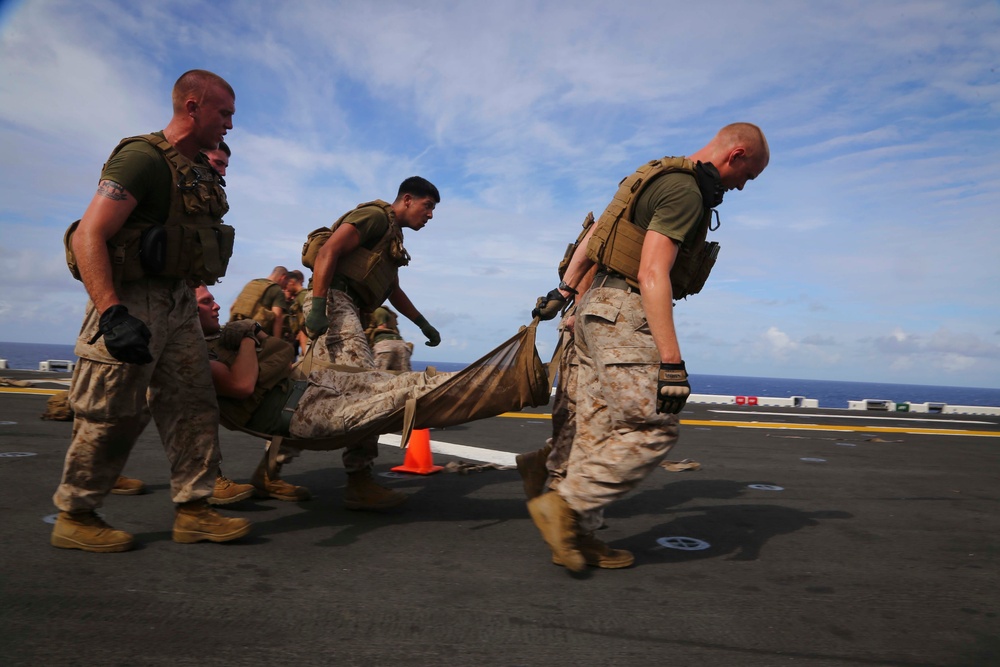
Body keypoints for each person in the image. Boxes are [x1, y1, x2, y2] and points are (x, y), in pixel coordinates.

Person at [525, 123, 770, 572]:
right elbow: (654, 272)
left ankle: (577, 536)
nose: (741, 186)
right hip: (621, 310)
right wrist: (672, 363)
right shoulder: (686, 191)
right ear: (736, 155)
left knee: (598, 429)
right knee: (654, 427)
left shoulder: (651, 176)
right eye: (747, 176)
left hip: (591, 308)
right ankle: (563, 507)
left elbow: (595, 234)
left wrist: (565, 290)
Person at [51, 69, 251, 552]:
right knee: (112, 412)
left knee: (192, 402)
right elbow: (89, 234)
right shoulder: (142, 158)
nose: (229, 124)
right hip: (132, 300)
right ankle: (76, 515)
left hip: (178, 300)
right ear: (192, 106)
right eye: (223, 113)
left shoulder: (197, 169)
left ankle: (194, 510)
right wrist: (112, 313)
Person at [196, 285, 451, 494]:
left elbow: (283, 352)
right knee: (381, 399)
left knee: (390, 387)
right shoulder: (204, 353)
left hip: (296, 395)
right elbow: (243, 384)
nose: (217, 306)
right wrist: (250, 339)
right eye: (207, 301)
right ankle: (357, 482)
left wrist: (253, 336)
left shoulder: (223, 337)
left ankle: (268, 475)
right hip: (292, 408)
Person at [301, 176, 442, 511]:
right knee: (369, 389)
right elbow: (329, 251)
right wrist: (320, 305)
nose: (431, 215)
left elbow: (392, 290)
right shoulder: (375, 217)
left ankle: (271, 466)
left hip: (348, 307)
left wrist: (422, 323)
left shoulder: (392, 237)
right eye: (428, 206)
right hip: (335, 301)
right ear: (407, 199)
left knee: (314, 390)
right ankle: (359, 481)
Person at [230, 266, 289, 339]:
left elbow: (232, 307)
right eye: (286, 283)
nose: (285, 287)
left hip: (236, 331)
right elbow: (277, 318)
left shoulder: (251, 283)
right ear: (283, 277)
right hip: (257, 335)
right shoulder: (277, 290)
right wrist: (277, 341)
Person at [367, 306, 412, 371]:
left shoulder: (379, 311)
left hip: (385, 346)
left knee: (376, 376)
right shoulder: (389, 314)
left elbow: (382, 327)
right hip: (402, 346)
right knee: (403, 377)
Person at [282, 269, 307, 354]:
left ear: (292, 282)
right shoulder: (297, 297)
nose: (286, 288)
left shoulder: (303, 295)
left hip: (305, 337)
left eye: (286, 286)